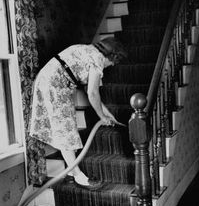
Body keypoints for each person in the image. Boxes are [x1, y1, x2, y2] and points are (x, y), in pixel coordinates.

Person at [29, 37, 127, 187]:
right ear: (112, 56)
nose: (111, 66)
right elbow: (92, 93)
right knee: (66, 132)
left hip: (47, 81)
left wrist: (107, 114)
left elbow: (95, 96)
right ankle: (78, 176)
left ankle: (70, 170)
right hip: (54, 86)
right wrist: (101, 116)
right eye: (113, 63)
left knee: (66, 129)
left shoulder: (86, 49)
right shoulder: (98, 59)